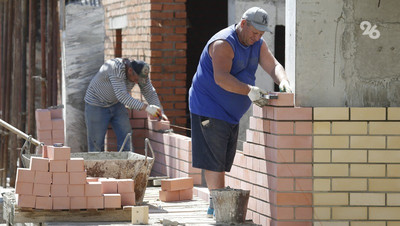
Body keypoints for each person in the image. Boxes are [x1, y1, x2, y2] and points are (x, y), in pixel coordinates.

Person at [188, 7, 292, 217]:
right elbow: (221, 78)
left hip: (230, 113)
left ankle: (218, 201)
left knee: (223, 159)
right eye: (254, 33)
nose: (257, 38)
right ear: (243, 24)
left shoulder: (258, 43)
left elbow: (273, 66)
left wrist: (284, 81)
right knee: (214, 158)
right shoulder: (223, 43)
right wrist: (250, 90)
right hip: (208, 106)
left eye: (261, 34)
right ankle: (217, 205)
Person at [84, 58, 167, 152]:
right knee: (96, 143)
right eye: (136, 79)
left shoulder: (141, 73)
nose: (137, 82)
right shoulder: (115, 68)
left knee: (126, 136)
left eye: (139, 80)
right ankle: (97, 166)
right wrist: (147, 108)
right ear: (130, 70)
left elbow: (149, 92)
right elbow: (122, 96)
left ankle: (127, 165)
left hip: (115, 104)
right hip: (96, 104)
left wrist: (160, 111)